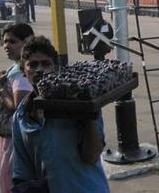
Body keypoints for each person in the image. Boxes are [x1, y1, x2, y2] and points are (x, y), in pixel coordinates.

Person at [12, 36, 110, 193]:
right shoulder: (21, 116)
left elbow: (91, 156)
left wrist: (87, 115)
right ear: (24, 72)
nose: (40, 70)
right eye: (33, 65)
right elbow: (22, 171)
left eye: (46, 64)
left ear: (56, 68)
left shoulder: (78, 102)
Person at [0, 23, 34, 193]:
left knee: (11, 179)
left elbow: (19, 108)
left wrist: (0, 88)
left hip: (13, 140)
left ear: (27, 42)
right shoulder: (17, 67)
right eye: (4, 42)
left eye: (12, 42)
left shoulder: (20, 71)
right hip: (9, 136)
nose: (6, 46)